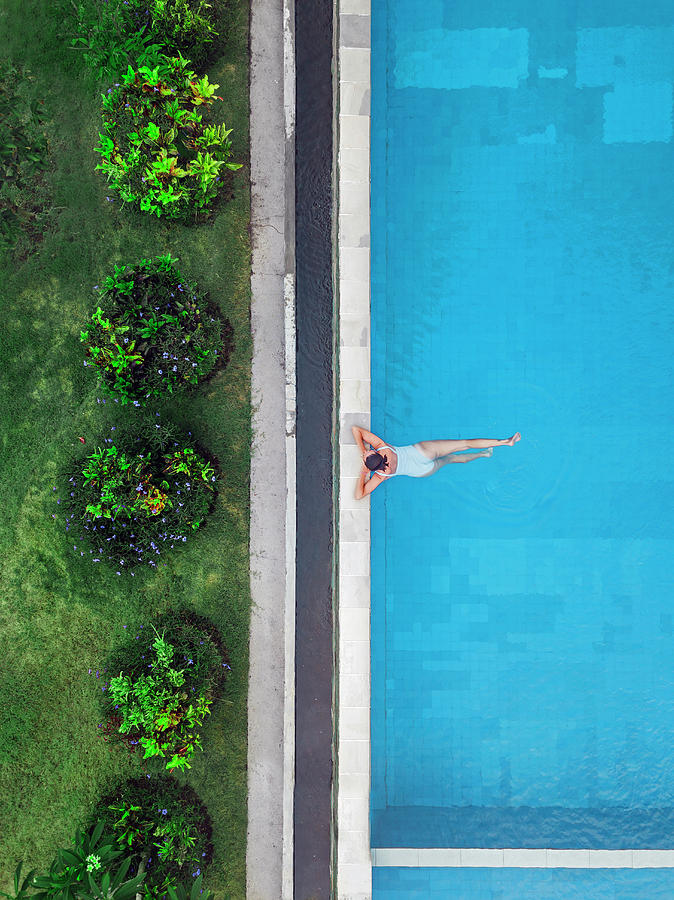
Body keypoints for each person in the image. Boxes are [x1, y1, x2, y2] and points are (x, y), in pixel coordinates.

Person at [352, 425, 521, 499]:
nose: (367, 451)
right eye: (369, 452)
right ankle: (504, 442)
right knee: (464, 444)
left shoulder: (381, 476)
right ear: (377, 453)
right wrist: (362, 450)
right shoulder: (383, 448)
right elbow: (356, 430)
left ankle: (483, 454)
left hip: (422, 471)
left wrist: (364, 473)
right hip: (423, 452)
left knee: (453, 460)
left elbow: (359, 494)